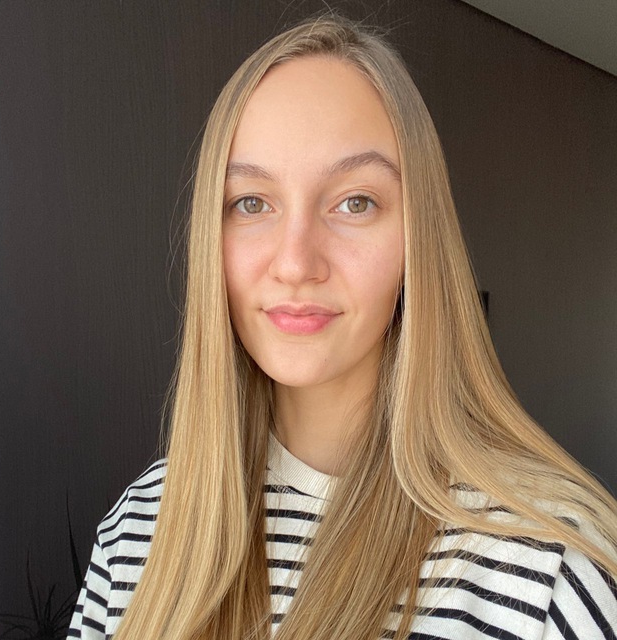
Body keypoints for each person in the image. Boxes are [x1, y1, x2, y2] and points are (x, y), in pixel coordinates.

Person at [68, 14, 617, 640]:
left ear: (418, 240)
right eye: (251, 202)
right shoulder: (136, 531)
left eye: (356, 202)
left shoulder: (551, 572)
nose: (296, 262)